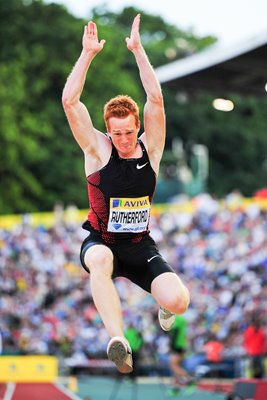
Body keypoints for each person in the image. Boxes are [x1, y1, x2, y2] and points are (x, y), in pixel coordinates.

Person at [62, 14, 190, 374]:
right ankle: (118, 340)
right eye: (116, 133)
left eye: (129, 132)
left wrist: (137, 50)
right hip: (101, 241)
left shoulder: (152, 149)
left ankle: (163, 303)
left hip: (139, 245)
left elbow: (155, 98)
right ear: (108, 130)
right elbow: (71, 103)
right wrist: (87, 55)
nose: (124, 139)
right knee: (100, 263)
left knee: (180, 301)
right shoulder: (98, 151)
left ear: (137, 126)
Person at [167, 314, 192, 396]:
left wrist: (171, 346)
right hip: (181, 344)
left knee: (173, 365)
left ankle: (190, 380)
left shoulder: (176, 318)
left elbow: (175, 332)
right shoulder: (182, 318)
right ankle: (176, 388)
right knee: (177, 367)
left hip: (176, 345)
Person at [243, 313, 266, 378]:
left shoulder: (261, 331)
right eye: (256, 322)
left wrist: (264, 350)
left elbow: (263, 342)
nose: (258, 323)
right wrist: (247, 351)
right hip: (251, 354)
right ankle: (250, 382)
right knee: (251, 369)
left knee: (260, 369)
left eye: (258, 322)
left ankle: (260, 381)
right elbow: (246, 342)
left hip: (260, 353)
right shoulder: (249, 331)